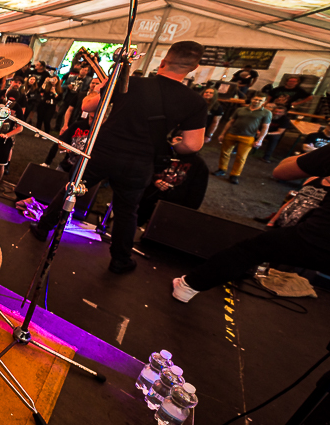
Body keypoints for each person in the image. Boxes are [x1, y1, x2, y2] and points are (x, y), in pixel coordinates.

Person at [30, 40, 208, 274]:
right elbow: (192, 144)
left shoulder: (129, 82)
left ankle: (42, 228)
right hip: (140, 161)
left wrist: (103, 86)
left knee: (71, 190)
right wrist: (172, 145)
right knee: (127, 210)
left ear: (164, 60)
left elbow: (88, 105)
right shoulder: (195, 102)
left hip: (103, 150)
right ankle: (120, 260)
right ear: (194, 68)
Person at [173, 140, 330, 303]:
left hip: (320, 236)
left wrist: (320, 154)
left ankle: (188, 286)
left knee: (248, 251)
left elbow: (282, 171)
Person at [212, 93, 272, 184]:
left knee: (241, 157)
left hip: (248, 136)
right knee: (225, 153)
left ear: (264, 102)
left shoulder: (266, 113)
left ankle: (234, 175)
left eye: (260, 100)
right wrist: (223, 133)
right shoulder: (240, 109)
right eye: (255, 99)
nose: (257, 101)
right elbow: (231, 122)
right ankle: (221, 169)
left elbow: (265, 127)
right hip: (232, 133)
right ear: (252, 99)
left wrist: (260, 140)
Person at [136, 153, 209, 226]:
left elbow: (196, 195)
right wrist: (154, 180)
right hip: (145, 203)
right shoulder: (160, 151)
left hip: (173, 209)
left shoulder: (199, 164)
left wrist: (186, 213)